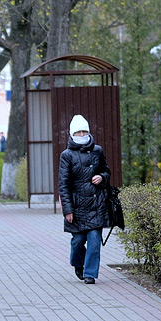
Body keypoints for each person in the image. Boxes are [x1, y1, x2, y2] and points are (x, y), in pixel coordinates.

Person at [58, 114, 110, 284]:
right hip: (77, 206)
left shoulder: (97, 151)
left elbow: (107, 171)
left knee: (94, 241)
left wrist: (102, 177)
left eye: (84, 132)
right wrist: (68, 210)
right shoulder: (66, 155)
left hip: (96, 204)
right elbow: (63, 185)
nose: (81, 135)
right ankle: (77, 263)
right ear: (72, 134)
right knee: (78, 241)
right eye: (78, 132)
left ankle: (90, 274)